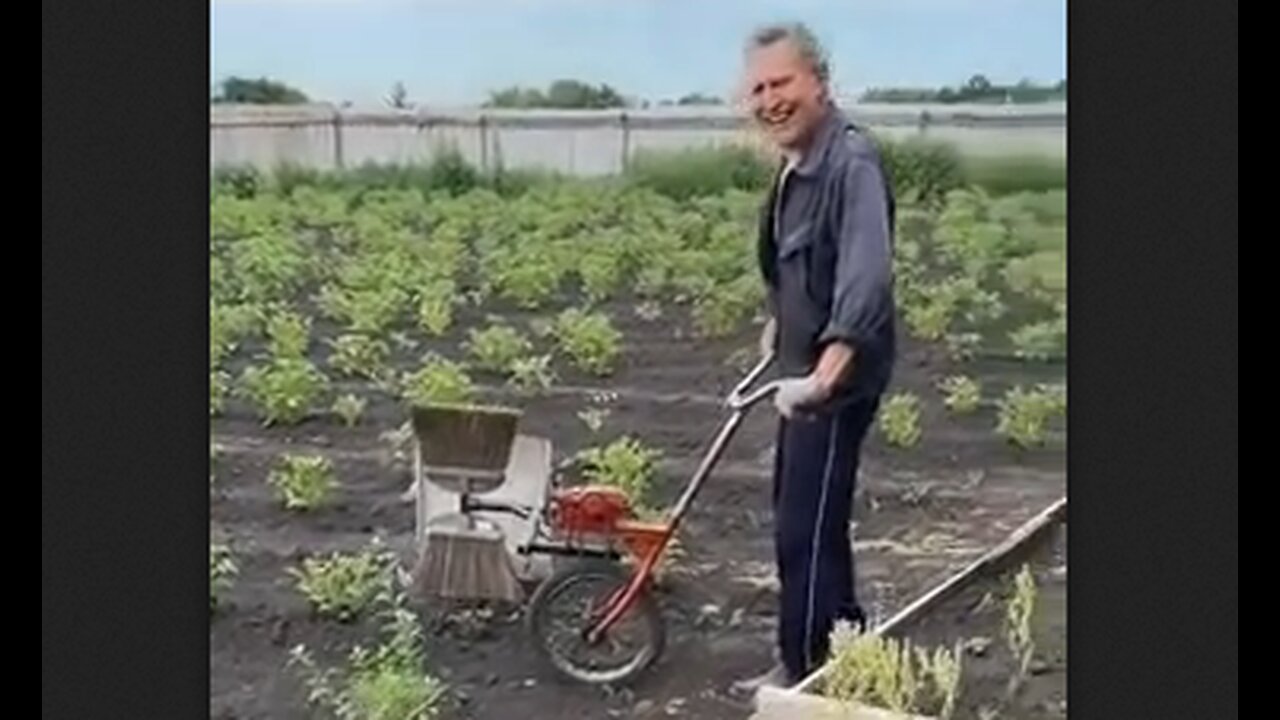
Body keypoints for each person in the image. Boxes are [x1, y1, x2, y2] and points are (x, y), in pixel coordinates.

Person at [733, 22, 898, 693]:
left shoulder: (850, 162)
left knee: (802, 527)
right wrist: (781, 326)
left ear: (820, 85)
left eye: (783, 83)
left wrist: (824, 375)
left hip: (835, 381)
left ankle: (803, 670)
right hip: (802, 367)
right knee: (808, 512)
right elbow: (794, 261)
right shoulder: (795, 165)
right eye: (759, 87)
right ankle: (848, 635)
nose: (770, 99)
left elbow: (866, 274)